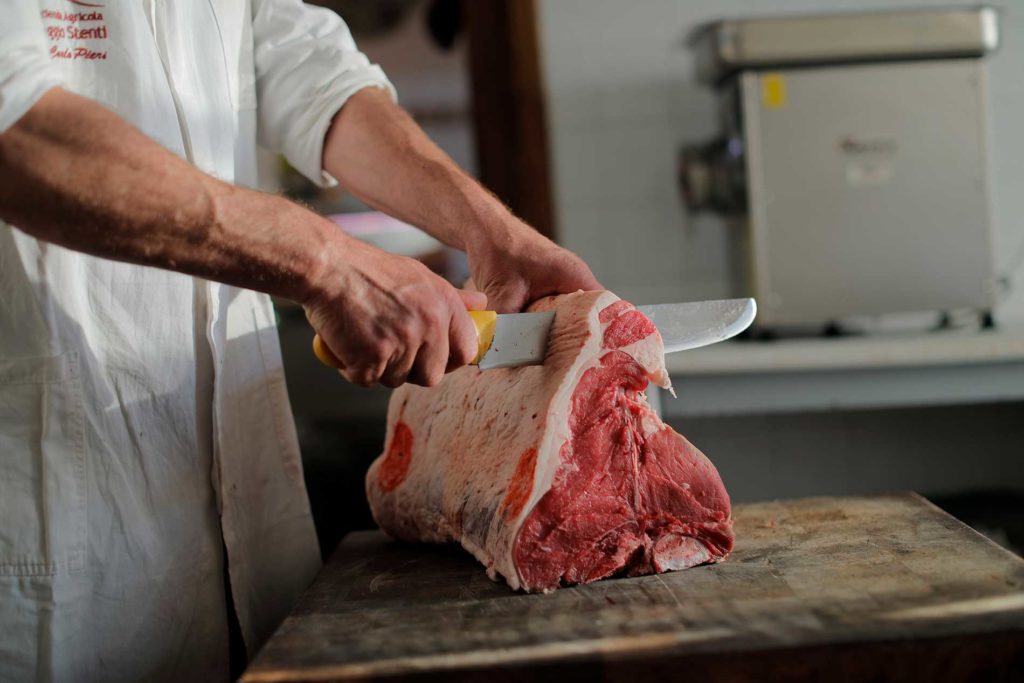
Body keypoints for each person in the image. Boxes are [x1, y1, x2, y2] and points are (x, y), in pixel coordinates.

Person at [0, 1, 599, 681]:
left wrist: (491, 229)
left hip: (241, 551)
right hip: (48, 538)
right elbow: (14, 128)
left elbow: (301, 61)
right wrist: (326, 262)